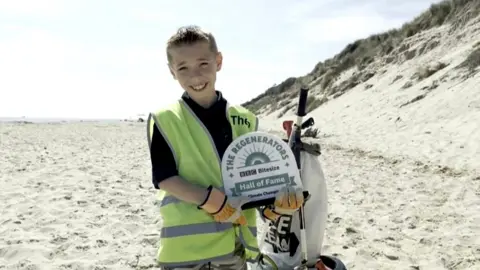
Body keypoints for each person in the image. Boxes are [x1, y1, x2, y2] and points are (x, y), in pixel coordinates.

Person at [147, 25, 305, 270]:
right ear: (172, 72)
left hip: (234, 251)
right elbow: (164, 177)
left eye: (203, 64)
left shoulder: (246, 119)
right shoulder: (165, 119)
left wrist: (277, 208)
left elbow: (257, 191)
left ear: (218, 61)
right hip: (183, 255)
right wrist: (209, 200)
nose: (195, 77)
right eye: (183, 68)